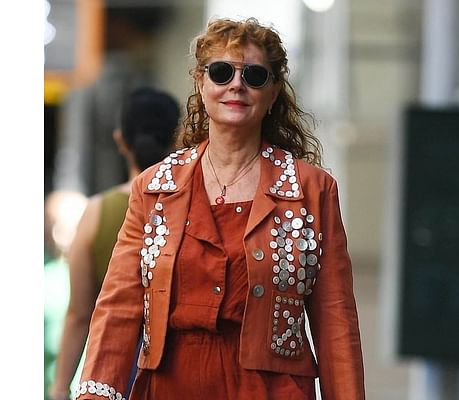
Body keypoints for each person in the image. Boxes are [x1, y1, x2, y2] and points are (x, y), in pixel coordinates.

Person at [74, 17, 365, 400]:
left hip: (273, 390)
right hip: (171, 385)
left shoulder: (312, 189)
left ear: (274, 91)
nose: (237, 85)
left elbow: (335, 319)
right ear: (200, 81)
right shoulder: (155, 188)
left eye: (255, 76)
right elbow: (119, 309)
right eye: (222, 71)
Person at [48, 87, 180, 400]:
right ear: (178, 140)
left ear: (121, 140)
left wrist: (59, 387)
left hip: (110, 373)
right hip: (178, 370)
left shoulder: (97, 212)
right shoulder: (192, 207)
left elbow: (79, 314)